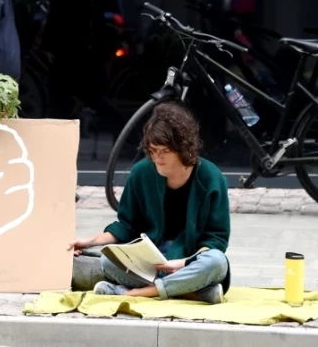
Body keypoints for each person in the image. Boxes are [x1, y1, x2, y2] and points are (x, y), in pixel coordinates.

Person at [68, 102, 231, 304]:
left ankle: (132, 294)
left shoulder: (211, 178)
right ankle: (191, 291)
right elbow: (126, 226)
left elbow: (216, 240)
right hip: (150, 262)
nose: (157, 158)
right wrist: (89, 242)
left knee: (216, 262)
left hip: (189, 261)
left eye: (164, 151)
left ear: (182, 147)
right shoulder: (141, 173)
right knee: (107, 260)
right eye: (152, 150)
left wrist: (182, 263)